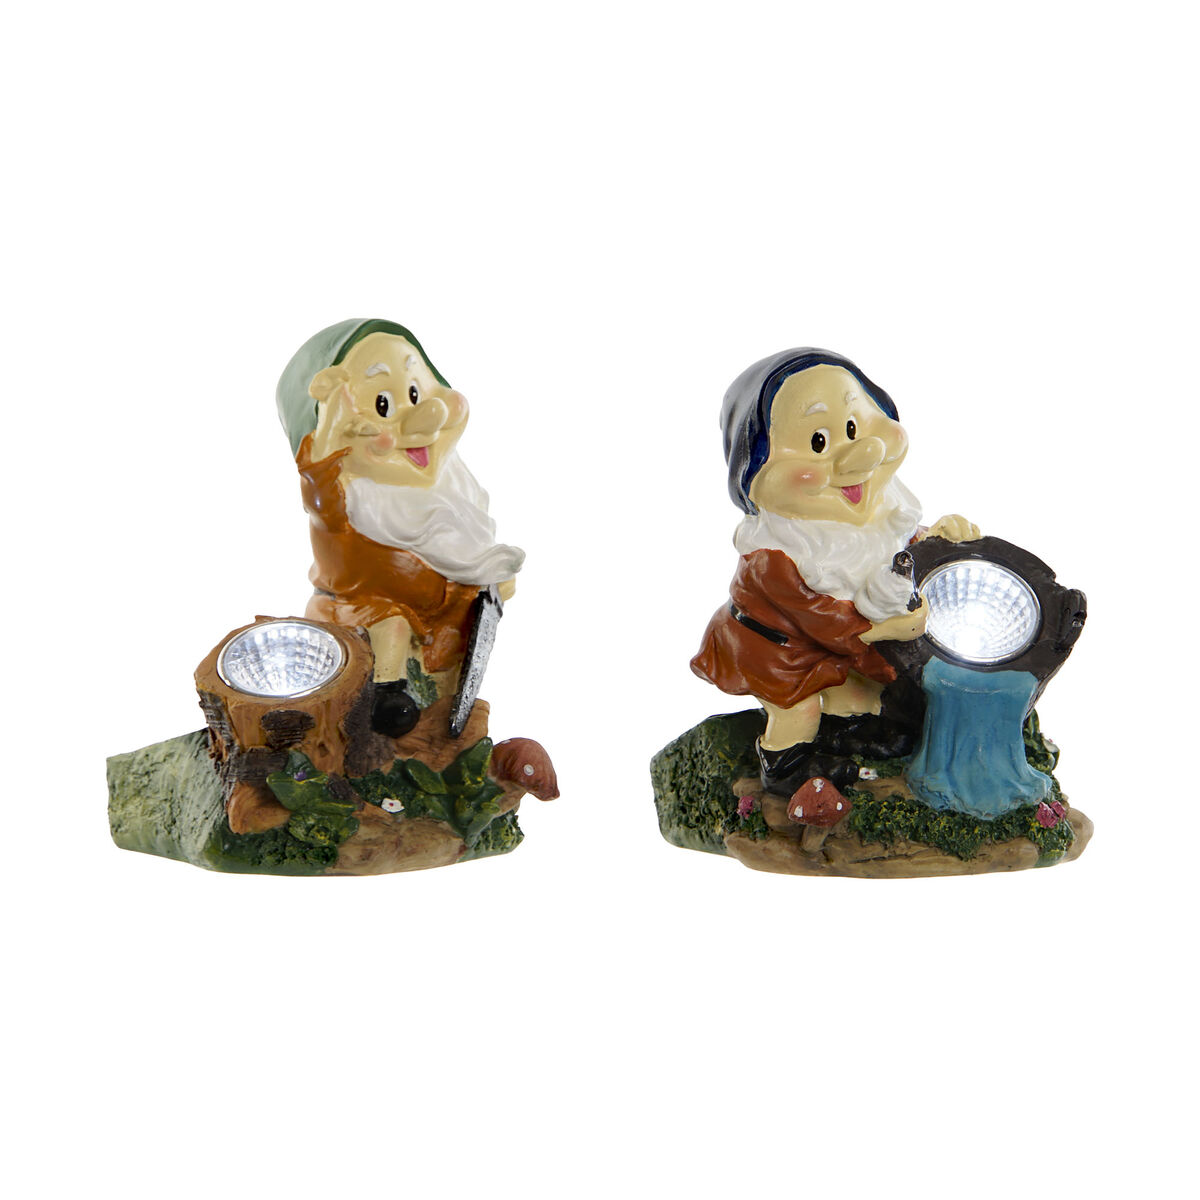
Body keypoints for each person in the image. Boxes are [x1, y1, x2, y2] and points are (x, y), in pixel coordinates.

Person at [691, 348, 978, 799]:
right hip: (776, 650)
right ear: (757, 475)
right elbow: (821, 618)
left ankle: (853, 731)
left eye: (854, 428)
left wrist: (938, 539)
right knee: (799, 710)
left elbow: (893, 548)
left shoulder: (883, 513)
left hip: (843, 650)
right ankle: (784, 766)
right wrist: (886, 629)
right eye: (819, 443)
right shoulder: (776, 557)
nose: (861, 455)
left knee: (862, 692)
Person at [276, 319, 523, 736]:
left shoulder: (451, 501)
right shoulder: (345, 503)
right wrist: (332, 425)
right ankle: (386, 698)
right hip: (361, 613)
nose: (425, 419)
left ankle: (440, 728)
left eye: (416, 393)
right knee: (390, 626)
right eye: (384, 406)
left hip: (442, 632)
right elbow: (320, 480)